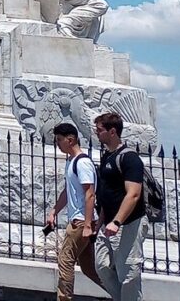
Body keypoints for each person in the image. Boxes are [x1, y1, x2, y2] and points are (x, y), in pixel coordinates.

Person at [94, 111, 146, 301]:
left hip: (128, 223)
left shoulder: (130, 158)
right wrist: (99, 222)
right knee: (101, 266)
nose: (96, 133)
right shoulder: (106, 156)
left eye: (99, 130)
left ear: (112, 131)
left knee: (129, 273)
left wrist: (116, 221)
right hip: (107, 222)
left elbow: (134, 194)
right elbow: (106, 194)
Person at [46, 122, 101, 301]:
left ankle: (64, 298)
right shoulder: (71, 161)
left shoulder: (82, 163)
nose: (57, 144)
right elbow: (68, 192)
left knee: (65, 260)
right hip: (81, 221)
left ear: (70, 140)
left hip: (80, 222)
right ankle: (117, 293)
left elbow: (90, 194)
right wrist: (54, 211)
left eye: (59, 140)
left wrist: (87, 225)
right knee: (89, 268)